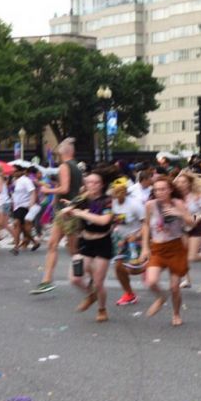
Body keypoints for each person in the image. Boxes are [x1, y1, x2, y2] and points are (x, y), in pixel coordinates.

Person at [138, 176, 193, 326]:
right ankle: (161, 297)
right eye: (156, 190)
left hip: (176, 247)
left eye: (163, 189)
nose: (159, 192)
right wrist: (144, 247)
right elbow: (146, 226)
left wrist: (179, 213)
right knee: (151, 281)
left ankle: (176, 313)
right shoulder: (150, 205)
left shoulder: (178, 203)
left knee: (175, 287)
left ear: (170, 190)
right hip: (158, 247)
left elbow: (191, 222)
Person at [31, 138, 83, 295]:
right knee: (54, 245)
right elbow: (77, 189)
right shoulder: (76, 167)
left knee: (73, 248)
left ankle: (86, 275)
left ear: (63, 151)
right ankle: (46, 281)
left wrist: (48, 191)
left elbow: (65, 188)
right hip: (66, 210)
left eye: (59, 149)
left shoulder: (65, 166)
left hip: (66, 211)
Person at [65, 171, 114, 322]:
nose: (92, 185)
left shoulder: (107, 201)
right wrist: (68, 211)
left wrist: (81, 213)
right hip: (85, 242)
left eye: (96, 183)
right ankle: (91, 295)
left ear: (101, 185)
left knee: (98, 282)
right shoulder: (81, 199)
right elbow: (67, 215)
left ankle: (102, 308)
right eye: (89, 182)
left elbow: (104, 221)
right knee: (75, 278)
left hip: (102, 243)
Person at [111, 178, 145, 306]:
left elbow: (146, 224)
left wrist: (137, 236)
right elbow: (114, 219)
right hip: (121, 239)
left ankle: (152, 265)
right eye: (115, 192)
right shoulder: (113, 203)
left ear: (125, 192)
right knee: (118, 267)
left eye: (120, 191)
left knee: (133, 270)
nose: (117, 194)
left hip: (136, 239)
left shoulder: (135, 205)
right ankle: (129, 294)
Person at [174, 172, 201, 289]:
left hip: (196, 226)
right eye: (179, 182)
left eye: (184, 182)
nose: (181, 184)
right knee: (182, 255)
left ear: (189, 184)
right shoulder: (175, 198)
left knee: (192, 257)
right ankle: (187, 280)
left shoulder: (196, 196)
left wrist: (200, 217)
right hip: (181, 228)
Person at [10, 166, 40, 255]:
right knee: (22, 228)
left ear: (22, 171)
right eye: (14, 171)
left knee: (17, 224)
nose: (14, 173)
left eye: (16, 171)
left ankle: (16, 247)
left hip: (24, 206)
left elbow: (33, 191)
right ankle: (34, 242)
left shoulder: (26, 180)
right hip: (16, 206)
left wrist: (31, 204)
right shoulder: (15, 181)